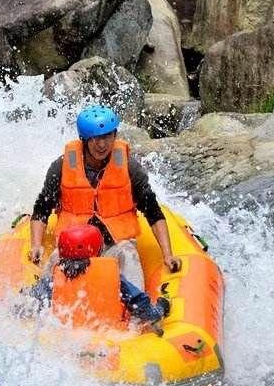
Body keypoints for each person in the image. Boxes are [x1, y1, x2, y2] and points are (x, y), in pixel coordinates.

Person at [28, 105, 181, 291]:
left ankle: (136, 313)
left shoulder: (130, 167)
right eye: (96, 138)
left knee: (128, 253)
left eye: (107, 136)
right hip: (74, 245)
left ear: (115, 135)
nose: (102, 144)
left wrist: (167, 254)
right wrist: (36, 245)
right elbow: (41, 209)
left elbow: (152, 211)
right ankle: (38, 304)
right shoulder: (60, 167)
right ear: (85, 140)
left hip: (114, 244)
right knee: (55, 259)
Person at [30, 224, 170, 324]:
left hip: (66, 334)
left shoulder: (54, 280)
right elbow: (140, 306)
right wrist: (160, 308)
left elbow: (31, 301)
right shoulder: (114, 278)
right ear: (97, 250)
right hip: (109, 335)